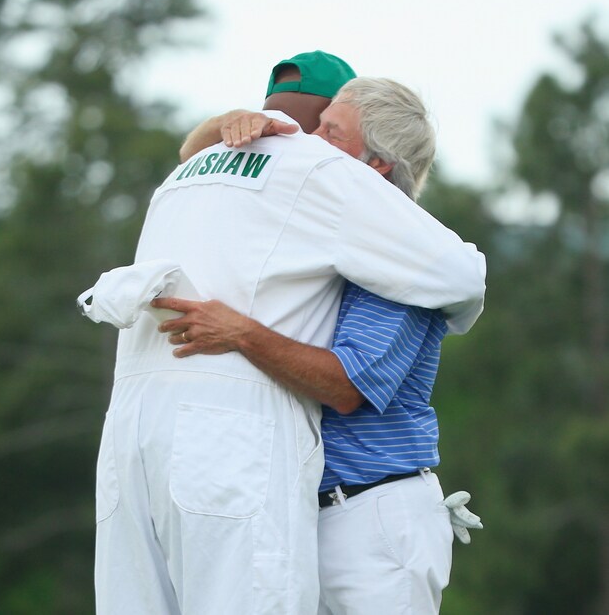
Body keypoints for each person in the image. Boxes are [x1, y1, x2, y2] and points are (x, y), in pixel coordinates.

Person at [84, 51, 486, 615]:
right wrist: (223, 125)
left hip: (372, 518)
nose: (307, 143)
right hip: (317, 511)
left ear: (374, 169)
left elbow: (346, 388)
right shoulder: (324, 238)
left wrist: (242, 333)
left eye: (329, 132)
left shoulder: (399, 273)